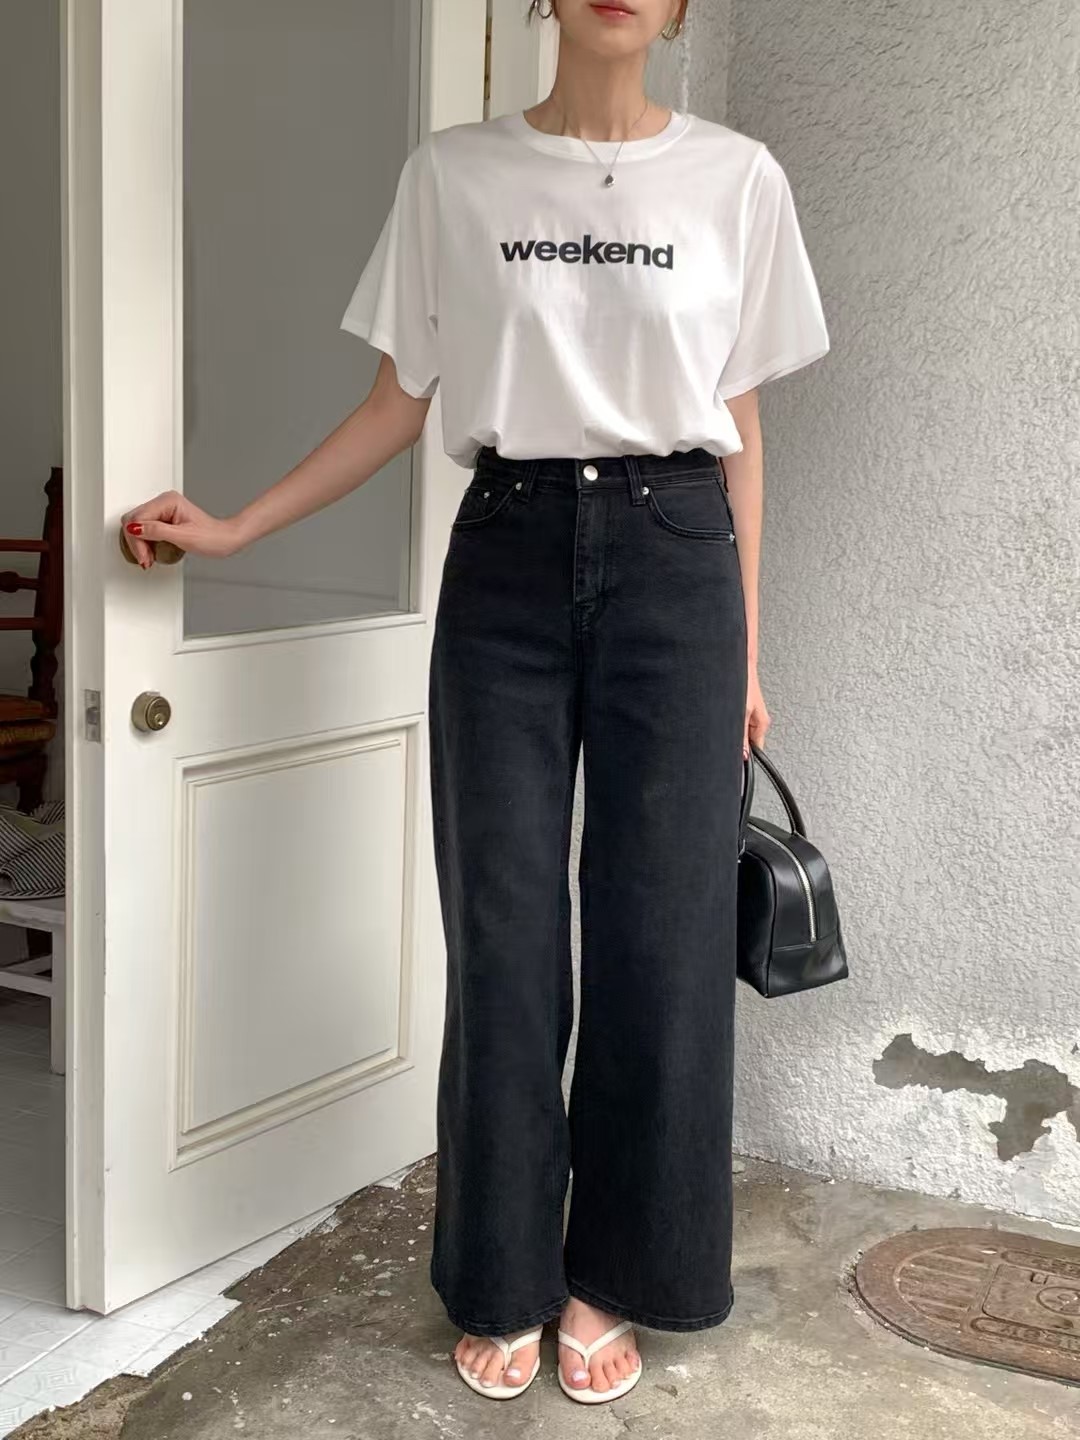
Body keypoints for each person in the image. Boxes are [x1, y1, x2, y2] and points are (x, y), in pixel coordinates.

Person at [120, 0, 829, 1407]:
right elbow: (400, 401)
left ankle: (614, 1274)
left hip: (678, 559)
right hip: (507, 553)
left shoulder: (738, 180)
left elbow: (742, 428)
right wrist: (244, 526)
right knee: (503, 929)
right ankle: (502, 1270)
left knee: (660, 934)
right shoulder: (455, 173)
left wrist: (747, 650)